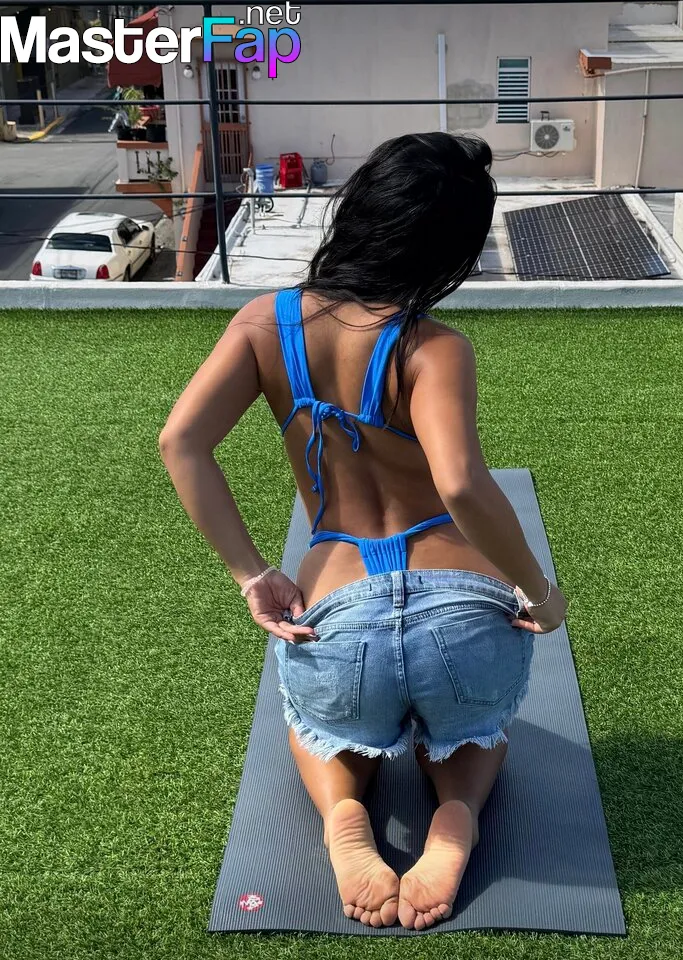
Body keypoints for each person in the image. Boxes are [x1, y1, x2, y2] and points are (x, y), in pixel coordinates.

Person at [158, 131, 569, 931]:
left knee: (321, 733)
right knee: (477, 733)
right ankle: (457, 812)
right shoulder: (434, 346)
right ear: (449, 252)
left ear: (360, 210)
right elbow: (460, 484)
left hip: (341, 624)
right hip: (463, 619)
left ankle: (344, 810)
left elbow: (182, 443)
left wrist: (252, 574)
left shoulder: (263, 325)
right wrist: (538, 592)